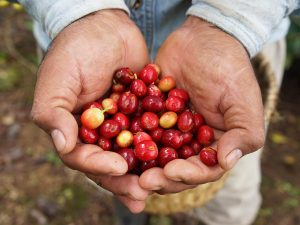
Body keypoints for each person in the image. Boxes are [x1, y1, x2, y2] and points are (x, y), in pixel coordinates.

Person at [17, 0, 300, 224]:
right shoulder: (124, 109)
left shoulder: (161, 115)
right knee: (115, 176)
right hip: (80, 53)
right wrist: (76, 12)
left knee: (232, 187)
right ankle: (130, 217)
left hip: (237, 47)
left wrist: (230, 22)